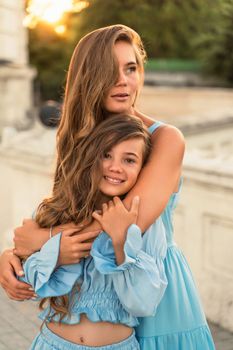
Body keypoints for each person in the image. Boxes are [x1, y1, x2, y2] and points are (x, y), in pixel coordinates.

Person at [0, 24, 215, 349]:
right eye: (109, 70)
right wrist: (16, 255)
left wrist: (43, 240)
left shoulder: (165, 139)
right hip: (95, 304)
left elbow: (121, 224)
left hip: (156, 293)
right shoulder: (80, 141)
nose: (123, 80)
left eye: (131, 68)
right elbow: (65, 211)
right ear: (89, 76)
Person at [18, 114, 168, 349]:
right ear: (91, 156)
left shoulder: (145, 223)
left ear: (142, 169)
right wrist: (56, 254)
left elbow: (144, 303)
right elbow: (27, 285)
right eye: (106, 155)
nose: (115, 167)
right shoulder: (58, 209)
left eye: (129, 160)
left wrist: (121, 241)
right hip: (53, 343)